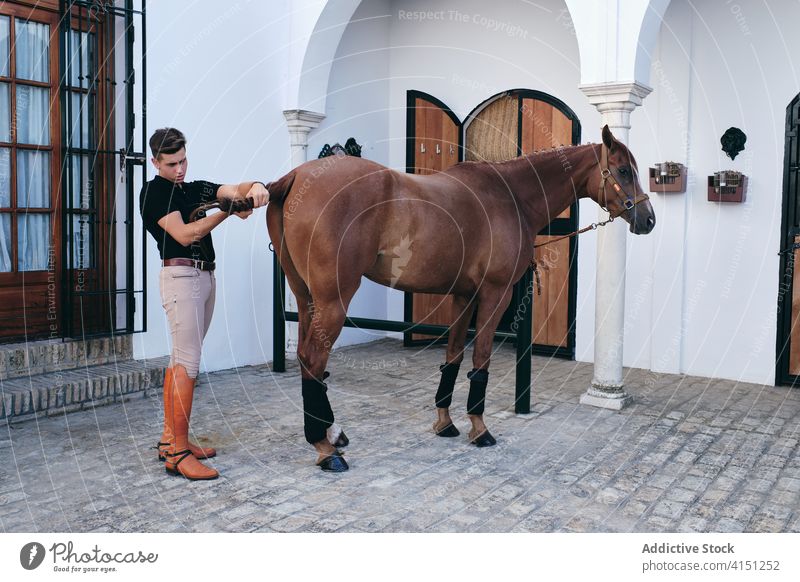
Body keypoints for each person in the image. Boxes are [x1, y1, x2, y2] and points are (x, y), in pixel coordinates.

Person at [139, 127, 268, 480]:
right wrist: (228, 211)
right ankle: (179, 455)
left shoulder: (193, 188)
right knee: (187, 365)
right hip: (181, 278)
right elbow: (186, 234)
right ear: (155, 162)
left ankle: (170, 440)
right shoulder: (154, 191)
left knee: (180, 361)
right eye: (171, 163)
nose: (179, 169)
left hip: (204, 277)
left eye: (183, 160)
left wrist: (253, 188)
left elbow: (232, 189)